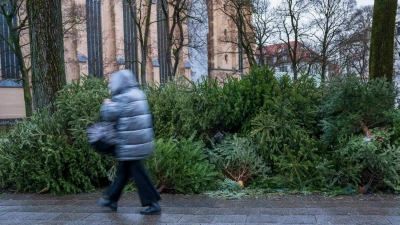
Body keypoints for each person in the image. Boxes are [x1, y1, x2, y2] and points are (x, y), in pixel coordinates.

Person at [98, 69, 161, 215]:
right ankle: (111, 200)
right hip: (139, 141)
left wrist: (107, 103)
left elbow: (110, 114)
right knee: (124, 171)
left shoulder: (124, 97)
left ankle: (153, 203)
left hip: (130, 144)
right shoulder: (138, 93)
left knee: (138, 173)